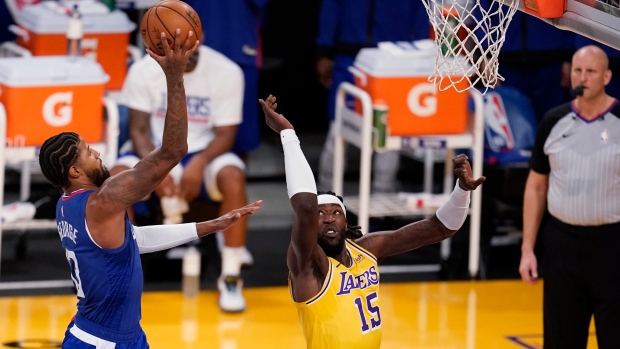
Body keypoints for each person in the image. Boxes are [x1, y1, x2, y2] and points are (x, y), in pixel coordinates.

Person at [38, 30, 262, 348]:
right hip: (102, 341)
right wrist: (174, 75)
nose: (98, 153)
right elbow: (172, 150)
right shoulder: (104, 201)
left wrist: (209, 226)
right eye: (89, 153)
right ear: (75, 171)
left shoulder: (68, 203)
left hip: (122, 335)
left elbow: (136, 239)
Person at [258, 94, 485, 348]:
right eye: (321, 214)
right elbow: (306, 208)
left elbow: (440, 228)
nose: (329, 218)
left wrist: (462, 190)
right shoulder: (309, 265)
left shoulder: (367, 250)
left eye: (336, 212)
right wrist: (288, 134)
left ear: (346, 222)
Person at [110, 32, 253, 313]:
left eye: (190, 50)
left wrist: (199, 162)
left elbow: (226, 134)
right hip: (152, 150)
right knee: (115, 181)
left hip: (204, 152)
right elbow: (138, 131)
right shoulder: (142, 70)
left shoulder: (227, 71)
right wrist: (158, 169)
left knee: (233, 177)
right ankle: (119, 280)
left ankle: (231, 276)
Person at [518, 45, 620, 349]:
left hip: (612, 247)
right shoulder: (553, 121)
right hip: (562, 246)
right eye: (577, 70)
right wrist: (527, 248)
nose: (583, 77)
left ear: (607, 76)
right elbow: (536, 187)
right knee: (561, 340)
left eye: (590, 72)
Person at [315, 0, 430, 193]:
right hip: (349, 60)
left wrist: (417, 60)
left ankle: (381, 202)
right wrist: (323, 50)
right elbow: (332, 6)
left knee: (388, 134)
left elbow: (421, 14)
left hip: (394, 63)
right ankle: (325, 199)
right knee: (338, 132)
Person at [185, 0, 271, 161]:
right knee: (191, 130)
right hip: (194, 50)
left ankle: (236, 183)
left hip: (239, 47)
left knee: (240, 138)